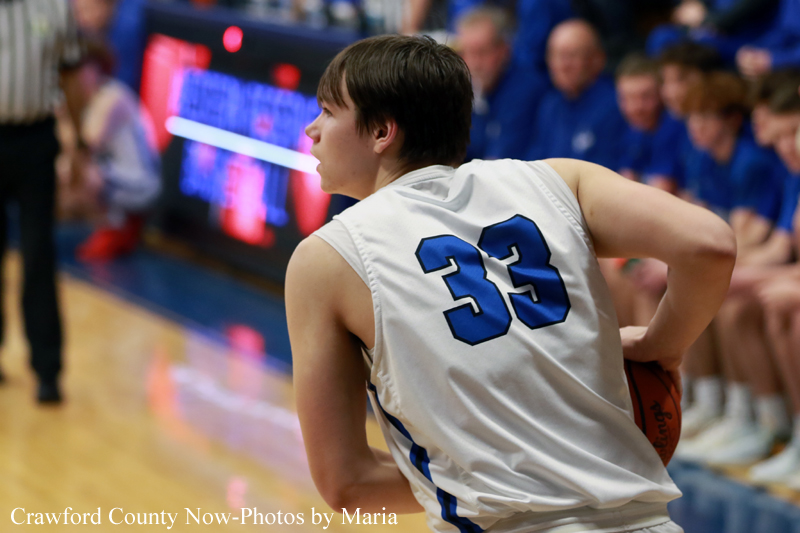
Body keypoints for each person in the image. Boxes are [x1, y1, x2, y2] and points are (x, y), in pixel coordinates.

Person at [286, 35, 736, 532]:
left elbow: (348, 484)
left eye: (328, 111)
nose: (312, 129)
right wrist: (661, 347)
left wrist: (493, 471)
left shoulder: (325, 258)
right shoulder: (559, 180)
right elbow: (709, 244)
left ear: (381, 131)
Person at [0, 0, 85, 403]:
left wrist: (79, 143)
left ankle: (47, 369)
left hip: (35, 139)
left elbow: (70, 75)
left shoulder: (54, 6)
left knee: (38, 253)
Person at [70, 39, 161, 262]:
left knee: (84, 173)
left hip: (142, 185)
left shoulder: (112, 96)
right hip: (124, 177)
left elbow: (84, 144)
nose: (74, 77)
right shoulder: (95, 98)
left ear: (95, 68)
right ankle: (120, 226)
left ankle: (115, 228)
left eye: (79, 69)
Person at [526, 19, 627, 169]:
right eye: (556, 55)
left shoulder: (617, 105)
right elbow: (535, 165)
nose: (563, 65)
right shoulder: (550, 105)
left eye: (572, 55)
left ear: (597, 59)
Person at [457, 7, 547, 161]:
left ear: (504, 50)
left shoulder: (526, 90)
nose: (474, 63)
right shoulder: (469, 88)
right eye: (468, 52)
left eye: (482, 52)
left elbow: (499, 163)